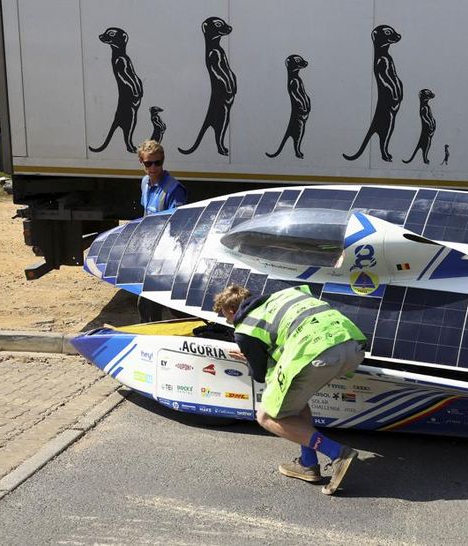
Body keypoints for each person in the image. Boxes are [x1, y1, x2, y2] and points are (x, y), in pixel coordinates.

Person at [214, 284, 367, 495]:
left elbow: (259, 375)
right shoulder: (286, 294)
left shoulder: (245, 328)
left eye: (225, 317)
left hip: (317, 353)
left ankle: (338, 453)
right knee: (295, 403)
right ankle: (308, 464)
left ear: (230, 311)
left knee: (266, 416)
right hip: (351, 344)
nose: (228, 322)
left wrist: (250, 358)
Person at [136, 140, 187, 322]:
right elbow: (146, 215)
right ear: (141, 163)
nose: (154, 167)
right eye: (149, 163)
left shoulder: (174, 189)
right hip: (150, 250)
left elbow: (178, 224)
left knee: (168, 305)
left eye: (158, 162)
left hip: (166, 252)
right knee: (148, 302)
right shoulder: (144, 183)